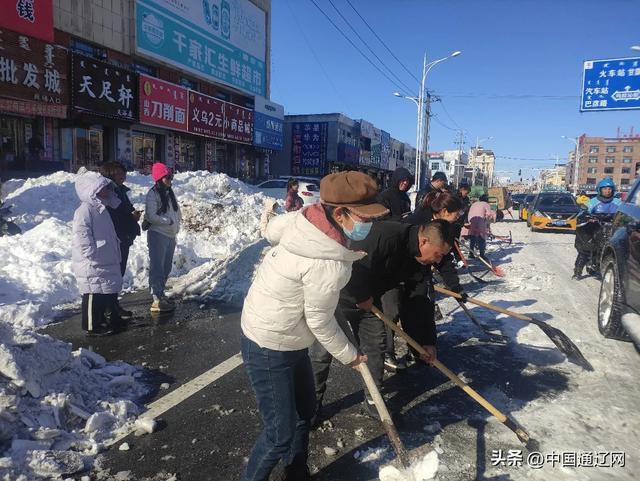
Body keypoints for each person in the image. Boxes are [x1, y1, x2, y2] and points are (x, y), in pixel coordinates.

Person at [240, 171, 388, 481]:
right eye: (364, 217)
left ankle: (296, 472)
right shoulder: (326, 260)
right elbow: (320, 321)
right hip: (269, 342)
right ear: (339, 212)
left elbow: (272, 231)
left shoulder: (307, 219)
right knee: (279, 434)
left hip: (290, 335)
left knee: (304, 411)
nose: (368, 224)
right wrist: (351, 356)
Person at [310, 219, 457, 420]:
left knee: (375, 347)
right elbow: (350, 266)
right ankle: (310, 405)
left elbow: (419, 301)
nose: (438, 261)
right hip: (335, 295)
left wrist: (426, 341)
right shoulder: (385, 236)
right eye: (438, 254)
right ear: (424, 241)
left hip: (369, 301)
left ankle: (374, 400)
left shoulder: (420, 261)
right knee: (322, 352)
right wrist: (360, 296)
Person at [72, 171, 123, 336]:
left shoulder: (101, 207)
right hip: (93, 260)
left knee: (102, 292)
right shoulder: (84, 210)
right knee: (93, 293)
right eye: (102, 187)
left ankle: (102, 320)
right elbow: (81, 234)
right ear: (92, 190)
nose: (107, 189)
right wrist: (91, 253)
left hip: (104, 256)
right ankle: (91, 325)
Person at [100, 161, 141, 319]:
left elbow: (125, 210)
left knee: (119, 273)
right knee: (113, 274)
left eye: (123, 173)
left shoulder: (120, 191)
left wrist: (132, 216)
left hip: (124, 237)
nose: (122, 175)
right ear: (110, 175)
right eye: (118, 173)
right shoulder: (109, 193)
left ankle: (114, 305)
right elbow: (114, 216)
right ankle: (109, 308)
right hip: (116, 238)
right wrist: (131, 217)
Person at [144, 162, 181, 312]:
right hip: (158, 234)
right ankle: (156, 299)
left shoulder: (169, 193)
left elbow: (176, 211)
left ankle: (160, 293)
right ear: (160, 178)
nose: (170, 180)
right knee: (157, 267)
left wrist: (177, 221)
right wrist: (169, 221)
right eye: (168, 177)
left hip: (170, 235)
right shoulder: (152, 194)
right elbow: (151, 216)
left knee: (166, 267)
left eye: (171, 177)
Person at [573, 177, 622, 279]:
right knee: (585, 249)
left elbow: (623, 214)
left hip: (612, 229)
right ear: (600, 190)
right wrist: (589, 218)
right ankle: (578, 271)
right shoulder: (593, 202)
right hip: (595, 229)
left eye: (609, 189)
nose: (607, 191)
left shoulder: (618, 202)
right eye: (604, 189)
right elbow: (584, 213)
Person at [462, 194, 496, 260]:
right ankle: (482, 254)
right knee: (482, 238)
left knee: (473, 238)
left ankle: (471, 254)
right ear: (487, 200)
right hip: (480, 221)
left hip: (471, 220)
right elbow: (489, 214)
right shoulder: (486, 204)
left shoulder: (474, 204)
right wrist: (487, 221)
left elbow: (470, 212)